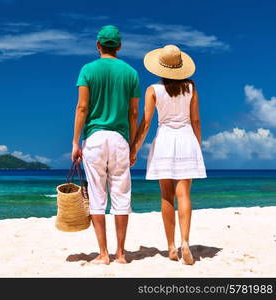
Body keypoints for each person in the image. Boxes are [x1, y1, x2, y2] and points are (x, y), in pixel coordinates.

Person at [130, 45, 207, 265]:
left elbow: (145, 123)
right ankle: (185, 241)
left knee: (166, 195)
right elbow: (196, 121)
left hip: (164, 140)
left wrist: (134, 148)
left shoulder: (153, 89)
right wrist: (197, 146)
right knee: (184, 194)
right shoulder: (190, 88)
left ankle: (171, 247)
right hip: (186, 140)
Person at [71, 25, 141, 265]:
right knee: (121, 196)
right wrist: (132, 145)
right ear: (119, 47)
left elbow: (82, 108)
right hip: (120, 139)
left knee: (97, 196)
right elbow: (133, 113)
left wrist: (74, 141)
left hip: (95, 138)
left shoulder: (88, 70)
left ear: (98, 45)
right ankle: (121, 253)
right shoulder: (130, 72)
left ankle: (103, 253)